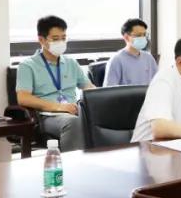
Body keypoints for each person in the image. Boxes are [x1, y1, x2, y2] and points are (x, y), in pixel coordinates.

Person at [16, 15, 93, 151]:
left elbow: (88, 87)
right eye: (56, 39)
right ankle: (73, 162)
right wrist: (59, 107)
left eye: (64, 38)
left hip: (74, 111)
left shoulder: (71, 63)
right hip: (48, 116)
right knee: (73, 122)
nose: (61, 42)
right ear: (41, 40)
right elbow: (23, 98)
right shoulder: (28, 65)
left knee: (102, 118)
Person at [104, 18, 158, 87]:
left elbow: (158, 83)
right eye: (138, 35)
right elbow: (109, 90)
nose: (142, 38)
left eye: (144, 35)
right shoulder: (116, 60)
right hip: (126, 95)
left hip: (148, 94)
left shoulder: (149, 58)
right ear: (126, 37)